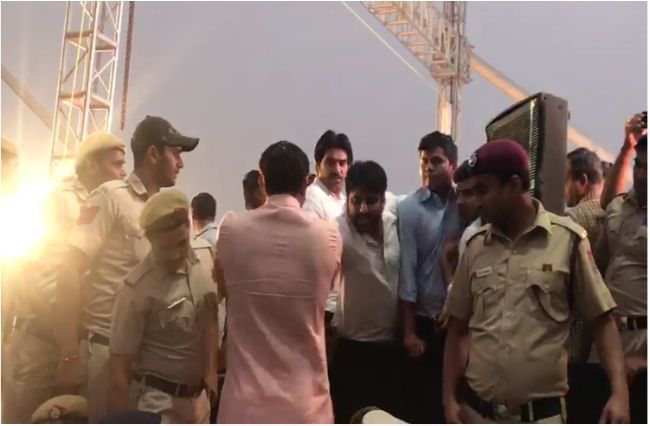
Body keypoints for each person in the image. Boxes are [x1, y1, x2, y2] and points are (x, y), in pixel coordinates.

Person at [443, 139, 629, 424]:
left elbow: (602, 321)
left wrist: (620, 394)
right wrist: (449, 398)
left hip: (541, 417)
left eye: (483, 190)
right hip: (478, 415)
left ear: (514, 185)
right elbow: (457, 330)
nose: (476, 201)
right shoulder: (476, 247)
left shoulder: (566, 241)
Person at [54, 116, 199, 422]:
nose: (181, 163)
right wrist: (68, 352)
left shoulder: (168, 213)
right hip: (107, 353)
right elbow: (68, 269)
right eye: (176, 153)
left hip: (149, 364)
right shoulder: (111, 197)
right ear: (153, 154)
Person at [1, 132, 127, 424]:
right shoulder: (59, 200)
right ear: (92, 166)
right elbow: (30, 274)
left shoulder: (109, 204)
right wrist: (65, 335)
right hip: (41, 344)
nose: (123, 173)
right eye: (117, 164)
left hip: (78, 344)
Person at [214, 141, 341, 423]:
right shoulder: (328, 235)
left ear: (262, 181)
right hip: (306, 407)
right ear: (307, 182)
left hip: (243, 407)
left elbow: (221, 285)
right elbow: (328, 289)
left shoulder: (232, 228)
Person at [108, 190, 219, 423]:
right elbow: (119, 369)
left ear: (188, 228)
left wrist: (211, 369)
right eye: (166, 247)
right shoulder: (135, 289)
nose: (175, 254)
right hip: (158, 406)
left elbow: (209, 316)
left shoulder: (204, 262)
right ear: (150, 239)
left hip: (199, 402)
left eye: (181, 243)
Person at [397, 131, 461, 423]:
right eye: (424, 161)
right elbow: (407, 271)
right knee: (422, 406)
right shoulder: (409, 208)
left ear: (453, 166)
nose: (428, 168)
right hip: (424, 322)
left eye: (436, 161)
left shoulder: (465, 204)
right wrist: (409, 333)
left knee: (456, 405)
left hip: (459, 320)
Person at [330, 161, 401, 423]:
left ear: (383, 200)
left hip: (393, 350)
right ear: (347, 198)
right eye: (356, 200)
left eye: (370, 201)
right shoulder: (336, 231)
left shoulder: (395, 224)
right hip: (352, 351)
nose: (362, 209)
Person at [594, 135, 647, 423]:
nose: (642, 174)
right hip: (607, 339)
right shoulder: (619, 208)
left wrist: (645, 361)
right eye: (639, 165)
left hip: (642, 345)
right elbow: (598, 264)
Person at [303, 130, 353, 353]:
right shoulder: (312, 198)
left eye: (343, 163)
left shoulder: (344, 200)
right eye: (331, 163)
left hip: (340, 306)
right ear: (318, 165)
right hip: (323, 309)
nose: (337, 169)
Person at [441, 160, 479, 287]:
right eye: (458, 194)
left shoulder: (472, 236)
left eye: (468, 193)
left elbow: (462, 294)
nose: (460, 201)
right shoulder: (467, 233)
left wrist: (446, 265)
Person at [601, 111, 647, 209]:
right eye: (638, 165)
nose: (641, 174)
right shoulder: (635, 198)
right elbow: (609, 206)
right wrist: (628, 148)